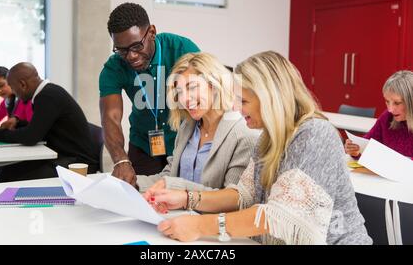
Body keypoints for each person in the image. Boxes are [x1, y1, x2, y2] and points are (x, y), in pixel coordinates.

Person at [147, 51, 372, 245]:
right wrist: (186, 198)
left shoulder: (314, 134)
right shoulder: (268, 138)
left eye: (243, 101)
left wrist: (199, 225)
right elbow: (241, 195)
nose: (236, 107)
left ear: (269, 98)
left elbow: (276, 216)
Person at [99, 2, 200, 187]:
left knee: (181, 197)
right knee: (138, 196)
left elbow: (207, 98)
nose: (131, 56)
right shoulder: (113, 68)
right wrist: (121, 161)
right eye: (122, 50)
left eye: (137, 46)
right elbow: (110, 118)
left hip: (184, 143)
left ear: (152, 32)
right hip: (143, 145)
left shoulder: (182, 49)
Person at [137, 53, 258, 194]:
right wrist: (132, 183)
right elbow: (169, 176)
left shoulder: (244, 133)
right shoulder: (187, 127)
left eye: (192, 87)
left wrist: (177, 187)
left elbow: (232, 199)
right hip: (177, 213)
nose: (184, 99)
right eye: (179, 92)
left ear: (214, 84)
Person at [0, 63, 98, 182]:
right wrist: (18, 123)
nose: (14, 93)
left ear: (22, 84)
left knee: (12, 176)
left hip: (76, 162)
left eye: (13, 87)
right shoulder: (45, 93)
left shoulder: (48, 96)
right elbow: (40, 127)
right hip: (63, 155)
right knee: (8, 171)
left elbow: (31, 137)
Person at [345, 70, 413, 159]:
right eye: (387, 101)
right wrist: (355, 151)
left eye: (397, 103)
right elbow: (365, 146)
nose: (390, 109)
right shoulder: (387, 117)